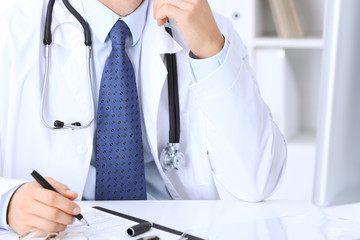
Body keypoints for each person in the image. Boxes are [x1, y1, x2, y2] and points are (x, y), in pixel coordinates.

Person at [0, 0, 287, 236]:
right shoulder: (10, 30)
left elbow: (256, 180)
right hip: (67, 232)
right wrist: (7, 202)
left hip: (174, 232)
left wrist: (211, 50)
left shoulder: (210, 27)